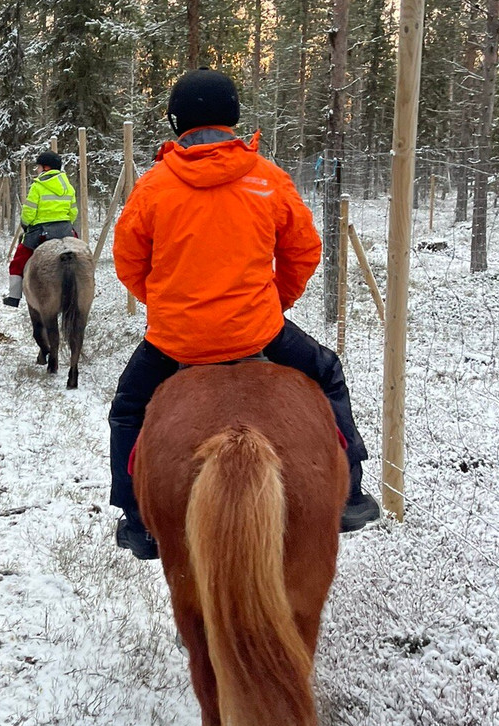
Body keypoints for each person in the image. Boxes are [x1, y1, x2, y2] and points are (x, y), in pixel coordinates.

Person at [109, 68, 381, 561]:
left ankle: (137, 521)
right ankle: (348, 494)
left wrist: (170, 305)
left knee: (129, 407)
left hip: (175, 341)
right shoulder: (268, 179)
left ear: (177, 123)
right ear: (233, 117)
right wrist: (274, 303)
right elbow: (304, 251)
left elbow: (128, 262)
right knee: (326, 372)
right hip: (259, 331)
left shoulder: (152, 188)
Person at [3, 151, 78, 307]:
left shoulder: (38, 186)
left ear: (45, 167)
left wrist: (25, 223)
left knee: (18, 261)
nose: (36, 170)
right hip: (65, 230)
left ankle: (14, 297)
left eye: (38, 167)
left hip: (41, 232)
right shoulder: (68, 187)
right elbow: (73, 212)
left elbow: (29, 212)